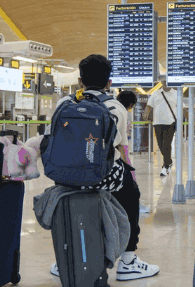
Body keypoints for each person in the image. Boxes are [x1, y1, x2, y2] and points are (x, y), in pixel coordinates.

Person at [45, 55, 159, 281]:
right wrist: (131, 177)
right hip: (102, 176)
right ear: (109, 83)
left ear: (80, 81)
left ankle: (64, 260)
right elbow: (120, 149)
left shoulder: (64, 104)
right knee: (130, 192)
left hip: (65, 176)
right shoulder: (116, 107)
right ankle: (128, 261)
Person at [145, 82, 178, 176]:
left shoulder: (176, 93)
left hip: (170, 122)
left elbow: (182, 108)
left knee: (167, 144)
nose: (164, 82)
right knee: (160, 145)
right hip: (157, 122)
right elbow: (149, 105)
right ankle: (169, 161)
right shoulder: (156, 93)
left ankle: (166, 166)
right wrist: (145, 114)